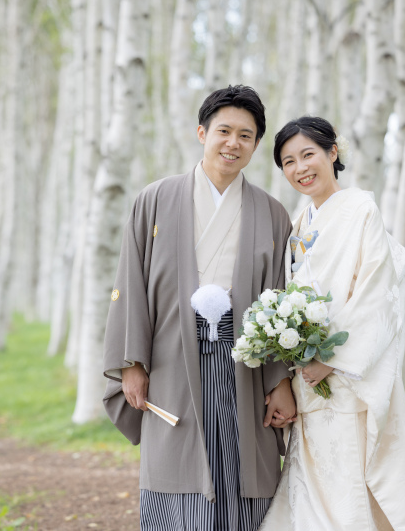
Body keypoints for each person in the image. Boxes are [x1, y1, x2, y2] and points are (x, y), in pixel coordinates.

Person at [101, 85, 296, 530]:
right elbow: (130, 283)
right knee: (177, 462)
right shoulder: (155, 199)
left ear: (256, 145)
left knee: (240, 463)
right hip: (172, 356)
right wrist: (133, 362)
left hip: (243, 361)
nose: (233, 143)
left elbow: (279, 301)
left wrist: (279, 380)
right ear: (201, 132)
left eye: (245, 135)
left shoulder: (272, 213)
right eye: (223, 131)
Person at [260, 116, 405, 530]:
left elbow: (376, 292)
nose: (300, 168)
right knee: (312, 478)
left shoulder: (360, 210)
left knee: (351, 481)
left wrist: (330, 360)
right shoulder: (299, 224)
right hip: (307, 377)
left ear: (332, 153)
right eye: (288, 161)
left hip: (348, 374)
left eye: (308, 155)